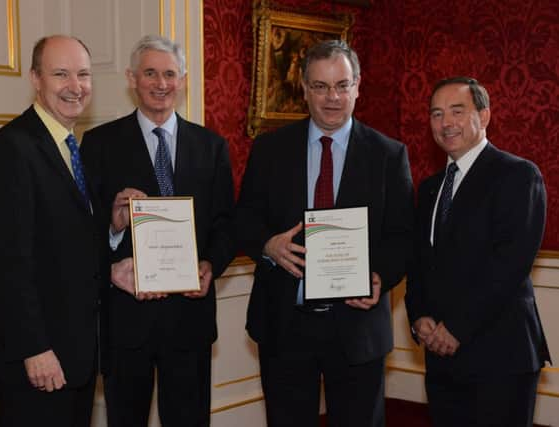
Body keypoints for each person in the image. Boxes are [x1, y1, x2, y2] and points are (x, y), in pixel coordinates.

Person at [235, 39, 414, 427]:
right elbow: (244, 218)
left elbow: (402, 236)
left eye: (342, 85)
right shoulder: (270, 149)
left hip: (356, 328)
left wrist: (381, 275)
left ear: (358, 86)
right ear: (303, 88)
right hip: (285, 322)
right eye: (320, 86)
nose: (332, 97)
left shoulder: (389, 155)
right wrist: (267, 244)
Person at [80, 35, 235, 427]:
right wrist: (115, 230)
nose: (161, 83)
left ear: (182, 80)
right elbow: (81, 229)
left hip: (190, 319)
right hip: (127, 318)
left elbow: (225, 222)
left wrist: (210, 263)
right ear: (132, 78)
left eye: (169, 74)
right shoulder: (99, 143)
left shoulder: (211, 146)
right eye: (150, 73)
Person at [0, 35, 108, 426]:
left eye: (83, 74)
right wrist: (35, 349)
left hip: (75, 356)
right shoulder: (11, 148)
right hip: (34, 361)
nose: (75, 86)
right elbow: (5, 262)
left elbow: (67, 243)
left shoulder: (71, 149)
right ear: (35, 78)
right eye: (61, 74)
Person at [405, 76, 551, 427]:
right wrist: (419, 315)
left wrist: (456, 328)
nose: (445, 123)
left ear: (484, 116)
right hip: (442, 357)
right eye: (437, 114)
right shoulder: (429, 189)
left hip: (499, 356)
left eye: (458, 111)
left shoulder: (518, 175)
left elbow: (509, 265)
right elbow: (421, 262)